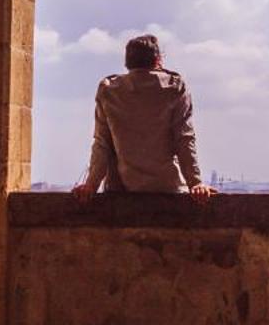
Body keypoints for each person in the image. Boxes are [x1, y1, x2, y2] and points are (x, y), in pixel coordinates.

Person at [73, 34, 215, 202]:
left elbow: (102, 142)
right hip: (168, 188)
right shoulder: (174, 87)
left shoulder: (109, 90)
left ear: (128, 62)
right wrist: (195, 183)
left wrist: (91, 184)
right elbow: (184, 139)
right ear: (158, 60)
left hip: (122, 190)